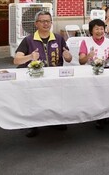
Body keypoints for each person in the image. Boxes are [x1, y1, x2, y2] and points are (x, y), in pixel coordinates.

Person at [13, 10, 72, 138]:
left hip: (54, 76)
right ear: (36, 24)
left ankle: (55, 121)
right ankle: (32, 125)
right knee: (34, 101)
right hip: (34, 77)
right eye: (42, 21)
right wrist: (30, 56)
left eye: (48, 21)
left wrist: (68, 56)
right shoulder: (28, 40)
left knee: (55, 99)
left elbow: (68, 58)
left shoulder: (58, 38)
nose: (46, 24)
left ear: (51, 23)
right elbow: (16, 60)